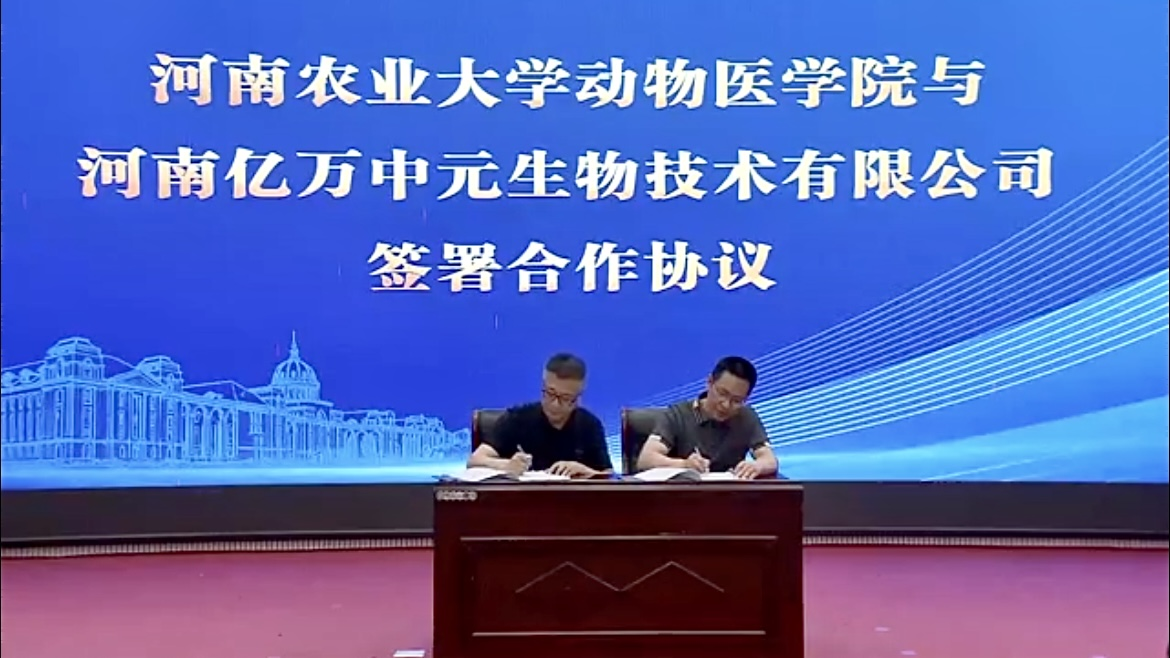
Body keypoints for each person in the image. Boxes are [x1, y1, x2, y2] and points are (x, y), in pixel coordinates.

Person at [467, 353, 613, 479]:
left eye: (566, 398)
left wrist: (585, 470)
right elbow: (474, 460)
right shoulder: (518, 419)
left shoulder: (589, 425)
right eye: (550, 393)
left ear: (578, 398)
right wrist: (506, 465)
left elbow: (609, 475)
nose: (555, 404)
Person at [636, 356, 779, 479]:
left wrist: (757, 466)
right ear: (710, 382)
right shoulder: (678, 413)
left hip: (728, 496)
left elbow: (769, 459)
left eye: (736, 400)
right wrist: (684, 464)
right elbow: (646, 459)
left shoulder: (747, 416)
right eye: (722, 393)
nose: (726, 405)